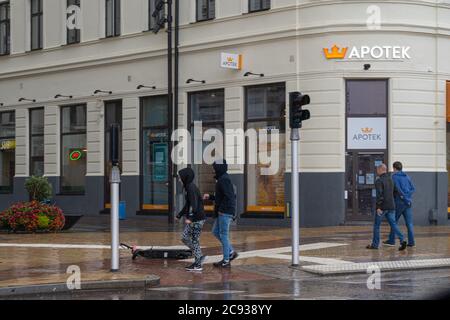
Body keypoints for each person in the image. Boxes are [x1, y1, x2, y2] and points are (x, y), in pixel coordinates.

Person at [204, 160, 239, 268]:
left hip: (225, 212)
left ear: (219, 168)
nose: (213, 169)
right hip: (224, 211)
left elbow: (230, 197)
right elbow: (222, 196)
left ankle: (226, 260)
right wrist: (210, 197)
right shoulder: (222, 178)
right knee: (215, 231)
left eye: (215, 167)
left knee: (223, 235)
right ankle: (231, 252)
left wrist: (222, 210)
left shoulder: (223, 179)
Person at [367, 163, 407, 251]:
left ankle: (375, 245)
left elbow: (379, 195)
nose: (377, 171)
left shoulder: (379, 181)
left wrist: (378, 207)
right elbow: (396, 192)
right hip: (391, 206)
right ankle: (402, 239)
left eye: (377, 170)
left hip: (382, 207)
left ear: (381, 170)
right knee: (393, 224)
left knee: (377, 226)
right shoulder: (391, 179)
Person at [176, 167, 207, 272]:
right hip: (195, 218)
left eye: (180, 178)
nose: (179, 180)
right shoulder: (188, 187)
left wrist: (191, 218)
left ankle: (198, 264)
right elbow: (188, 204)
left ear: (185, 177)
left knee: (194, 240)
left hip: (197, 219)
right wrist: (179, 215)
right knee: (184, 237)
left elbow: (195, 205)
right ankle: (199, 257)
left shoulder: (191, 188)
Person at [384, 162, 416, 248]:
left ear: (394, 168)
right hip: (408, 203)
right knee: (409, 223)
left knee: (393, 222)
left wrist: (404, 198)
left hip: (399, 203)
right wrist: (408, 198)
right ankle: (412, 242)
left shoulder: (394, 177)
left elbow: (398, 191)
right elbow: (413, 189)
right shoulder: (407, 176)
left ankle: (391, 241)